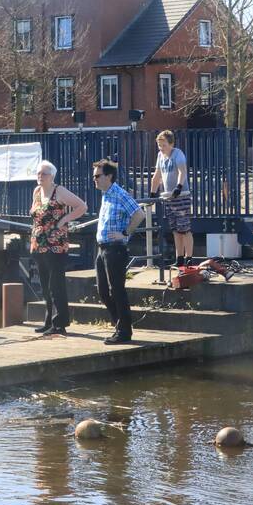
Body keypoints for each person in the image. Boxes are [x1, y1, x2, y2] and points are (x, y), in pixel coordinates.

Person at [30, 160, 87, 336]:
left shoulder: (59, 191)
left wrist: (63, 220)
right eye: (38, 173)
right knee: (45, 284)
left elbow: (82, 206)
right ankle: (48, 320)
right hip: (39, 243)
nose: (40, 176)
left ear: (52, 176)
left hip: (56, 244)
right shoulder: (37, 191)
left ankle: (60, 322)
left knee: (56, 284)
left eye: (44, 173)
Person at [93, 158, 145, 345]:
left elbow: (139, 214)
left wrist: (124, 233)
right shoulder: (105, 194)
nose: (95, 180)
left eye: (98, 176)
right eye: (94, 176)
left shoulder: (119, 194)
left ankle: (124, 331)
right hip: (102, 248)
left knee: (117, 290)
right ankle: (119, 326)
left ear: (109, 176)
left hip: (115, 249)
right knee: (102, 291)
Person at [150, 130, 193, 267]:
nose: (161, 148)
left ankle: (189, 258)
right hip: (168, 198)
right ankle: (179, 259)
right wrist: (152, 193)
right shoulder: (160, 156)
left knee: (184, 229)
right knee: (175, 230)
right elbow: (157, 175)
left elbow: (182, 171)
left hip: (181, 196)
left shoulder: (177, 153)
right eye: (159, 145)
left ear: (171, 144)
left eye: (163, 145)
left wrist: (179, 187)